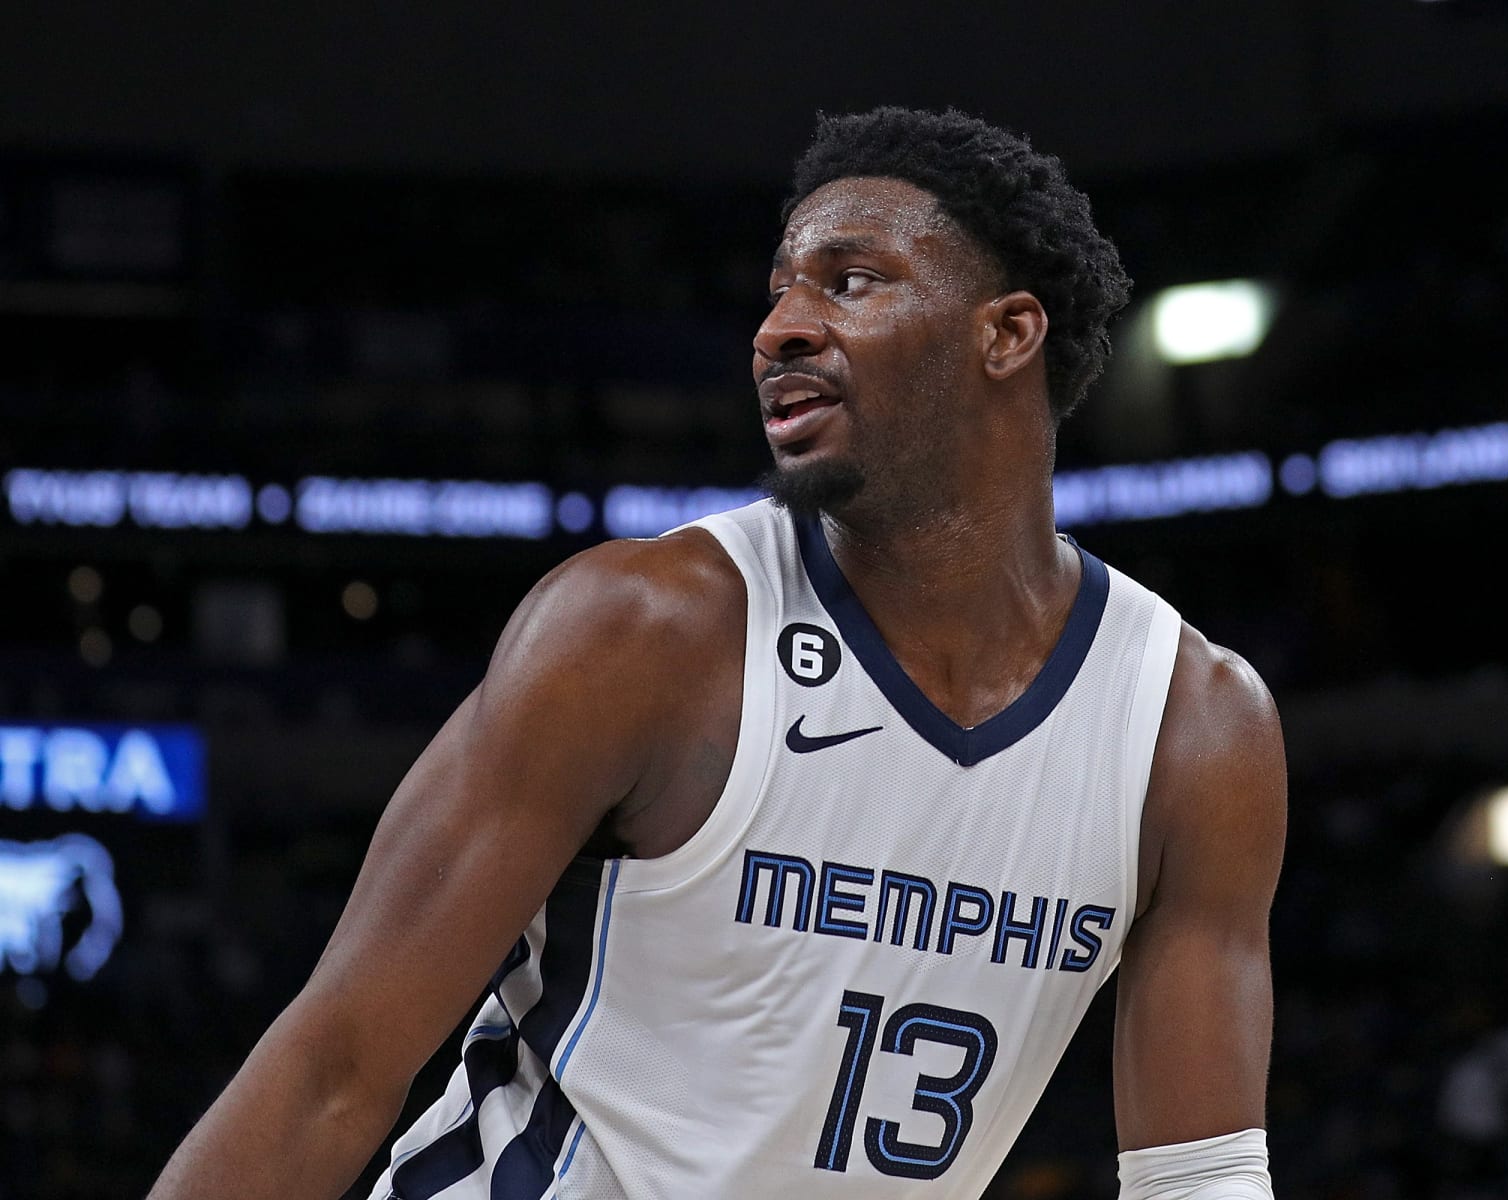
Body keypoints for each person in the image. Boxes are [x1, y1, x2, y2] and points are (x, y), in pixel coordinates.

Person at [150, 107, 1286, 1199]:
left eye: (850, 281)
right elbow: (334, 1068)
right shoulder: (642, 634)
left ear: (1007, 333)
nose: (779, 327)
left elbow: (1202, 1180)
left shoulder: (1191, 729)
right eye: (779, 288)